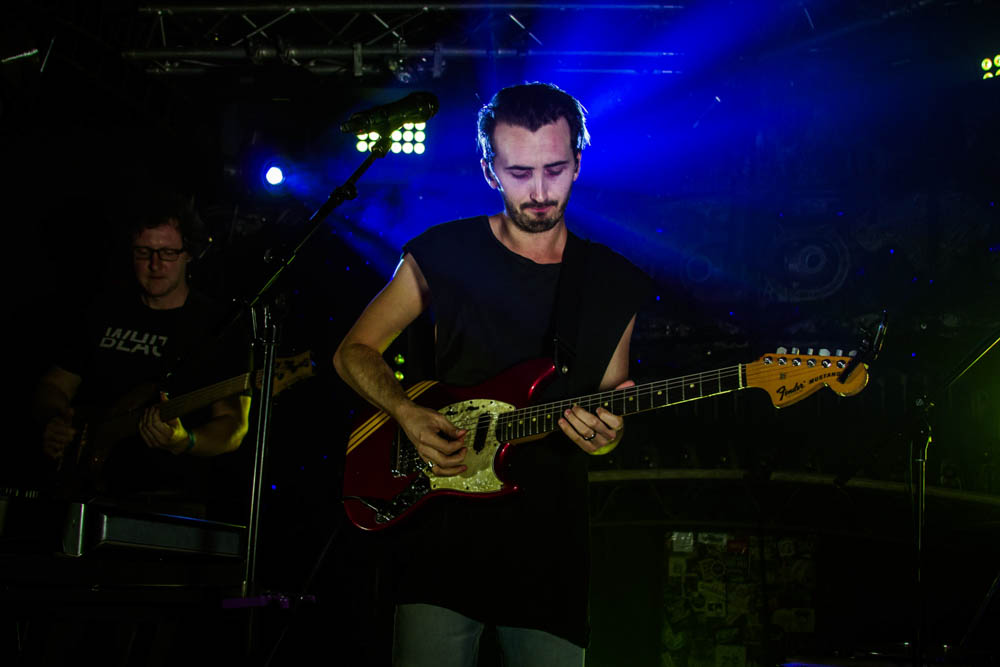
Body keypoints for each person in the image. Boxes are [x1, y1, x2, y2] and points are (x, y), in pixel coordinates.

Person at [334, 82, 650, 665]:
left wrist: (608, 436)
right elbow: (354, 351)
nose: (539, 192)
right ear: (489, 170)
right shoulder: (444, 251)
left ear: (578, 163)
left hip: (549, 545)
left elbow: (610, 409)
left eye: (555, 170)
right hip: (438, 530)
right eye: (519, 172)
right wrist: (405, 413)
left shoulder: (612, 281)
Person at [34, 193, 252, 511]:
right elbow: (54, 385)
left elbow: (234, 426)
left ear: (189, 253)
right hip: (80, 490)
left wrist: (186, 441)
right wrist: (54, 422)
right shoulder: (101, 310)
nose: (155, 264)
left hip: (169, 501)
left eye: (168, 252)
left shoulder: (218, 326)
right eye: (143, 252)